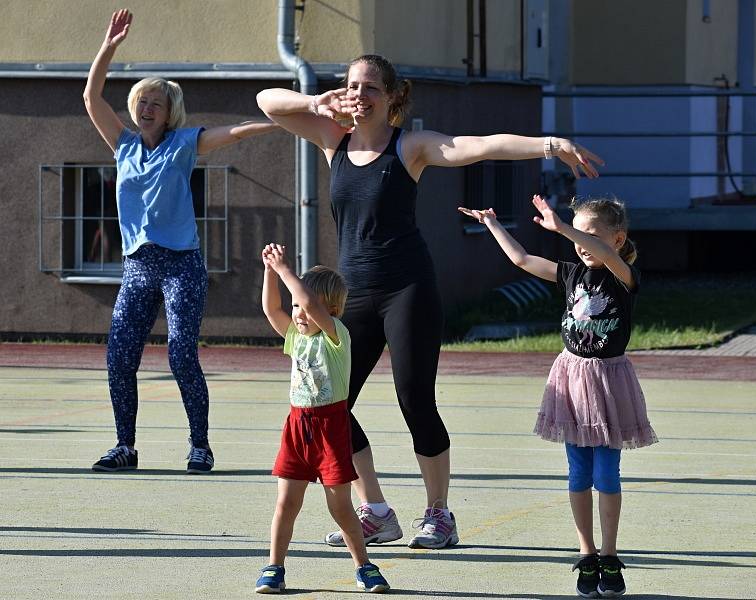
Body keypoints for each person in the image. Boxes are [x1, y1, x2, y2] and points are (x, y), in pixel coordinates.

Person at [257, 54, 604, 549]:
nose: (360, 94)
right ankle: (375, 510)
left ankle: (439, 513)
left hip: (408, 290)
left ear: (391, 96)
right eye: (353, 85)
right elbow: (266, 102)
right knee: (330, 403)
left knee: (415, 399)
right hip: (353, 295)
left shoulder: (410, 146)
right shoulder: (333, 140)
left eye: (371, 87)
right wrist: (316, 100)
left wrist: (550, 145)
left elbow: (477, 147)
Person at [84, 9, 278, 474]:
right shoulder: (123, 144)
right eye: (141, 100)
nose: (146, 107)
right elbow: (91, 96)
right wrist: (109, 46)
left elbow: (236, 133)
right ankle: (125, 446)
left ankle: (200, 446)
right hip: (137, 266)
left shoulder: (185, 142)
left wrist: (291, 121)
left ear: (171, 111)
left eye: (156, 102)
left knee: (180, 354)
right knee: (119, 357)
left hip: (181, 266)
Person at [460, 195, 657, 598]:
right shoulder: (570, 274)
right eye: (576, 235)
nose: (581, 244)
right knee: (578, 473)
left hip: (608, 381)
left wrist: (564, 227)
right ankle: (586, 554)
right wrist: (493, 224)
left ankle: (609, 554)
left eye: (591, 235)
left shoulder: (624, 276)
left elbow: (600, 252)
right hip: (572, 378)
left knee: (607, 474)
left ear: (618, 239)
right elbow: (522, 260)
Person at [255, 243, 390, 594]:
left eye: (304, 306)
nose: (298, 313)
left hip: (331, 429)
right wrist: (271, 270)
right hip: (297, 428)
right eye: (296, 306)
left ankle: (365, 566)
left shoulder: (336, 337)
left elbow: (313, 306)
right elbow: (272, 308)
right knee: (286, 503)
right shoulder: (296, 338)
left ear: (331, 310)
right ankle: (274, 567)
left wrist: (288, 271)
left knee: (340, 507)